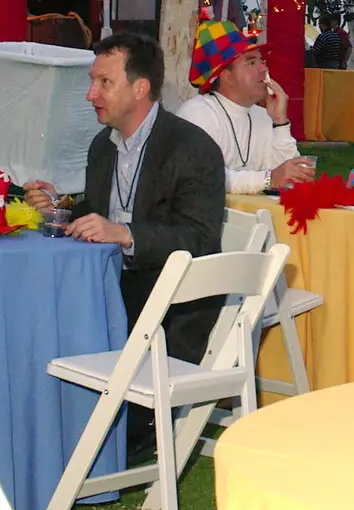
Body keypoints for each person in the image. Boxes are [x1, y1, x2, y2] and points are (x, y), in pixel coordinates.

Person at [23, 33, 226, 364]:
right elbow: (102, 212)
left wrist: (126, 234)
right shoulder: (103, 146)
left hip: (170, 309)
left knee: (54, 320)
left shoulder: (193, 149)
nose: (91, 94)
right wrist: (60, 206)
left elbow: (199, 238)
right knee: (37, 310)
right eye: (93, 81)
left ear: (140, 88)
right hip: (111, 290)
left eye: (105, 82)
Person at [176, 21, 316, 194]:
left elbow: (290, 179)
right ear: (225, 75)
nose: (263, 68)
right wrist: (267, 179)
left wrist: (280, 123)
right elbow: (203, 176)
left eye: (262, 61)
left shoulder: (263, 116)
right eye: (251, 63)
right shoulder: (198, 113)